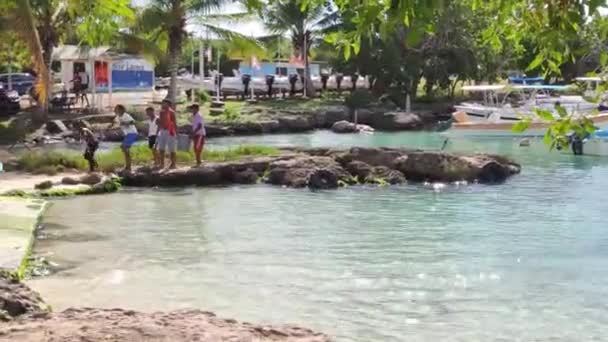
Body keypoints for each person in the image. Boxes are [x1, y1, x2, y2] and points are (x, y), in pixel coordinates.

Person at [108, 104, 138, 172]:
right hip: (128, 134)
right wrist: (109, 127)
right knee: (124, 148)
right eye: (115, 109)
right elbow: (114, 122)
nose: (115, 110)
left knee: (124, 147)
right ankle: (128, 165)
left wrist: (125, 123)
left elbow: (133, 121)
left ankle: (128, 166)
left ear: (121, 110)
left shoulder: (126, 115)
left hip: (132, 133)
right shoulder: (118, 117)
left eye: (116, 109)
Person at [157, 99, 177, 169]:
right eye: (162, 103)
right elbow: (160, 122)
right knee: (161, 148)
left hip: (170, 131)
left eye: (164, 103)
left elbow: (174, 123)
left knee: (172, 148)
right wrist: (158, 131)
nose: (162, 104)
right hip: (162, 131)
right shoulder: (161, 112)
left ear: (168, 104)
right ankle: (162, 163)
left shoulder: (171, 112)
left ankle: (173, 164)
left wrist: (176, 133)